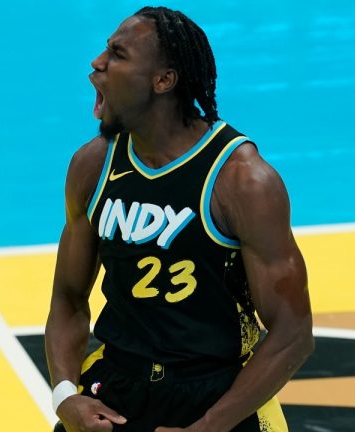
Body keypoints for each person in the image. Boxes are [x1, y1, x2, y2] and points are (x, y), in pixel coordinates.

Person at [44, 6, 314, 432]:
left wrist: (209, 426)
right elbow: (68, 299)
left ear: (163, 80)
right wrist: (64, 395)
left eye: (118, 54)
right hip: (117, 387)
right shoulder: (92, 166)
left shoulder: (242, 181)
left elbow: (292, 333)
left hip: (218, 397)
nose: (98, 62)